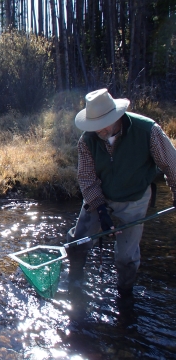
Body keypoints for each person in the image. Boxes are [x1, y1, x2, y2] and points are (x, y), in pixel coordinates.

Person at [66, 88, 176, 298]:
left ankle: (125, 296)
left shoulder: (148, 131)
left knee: (126, 258)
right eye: (94, 126)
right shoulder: (86, 141)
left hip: (134, 198)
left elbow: (172, 165)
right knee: (77, 242)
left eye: (102, 125)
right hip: (101, 195)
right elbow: (87, 180)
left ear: (116, 117)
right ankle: (75, 280)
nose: (98, 130)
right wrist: (101, 210)